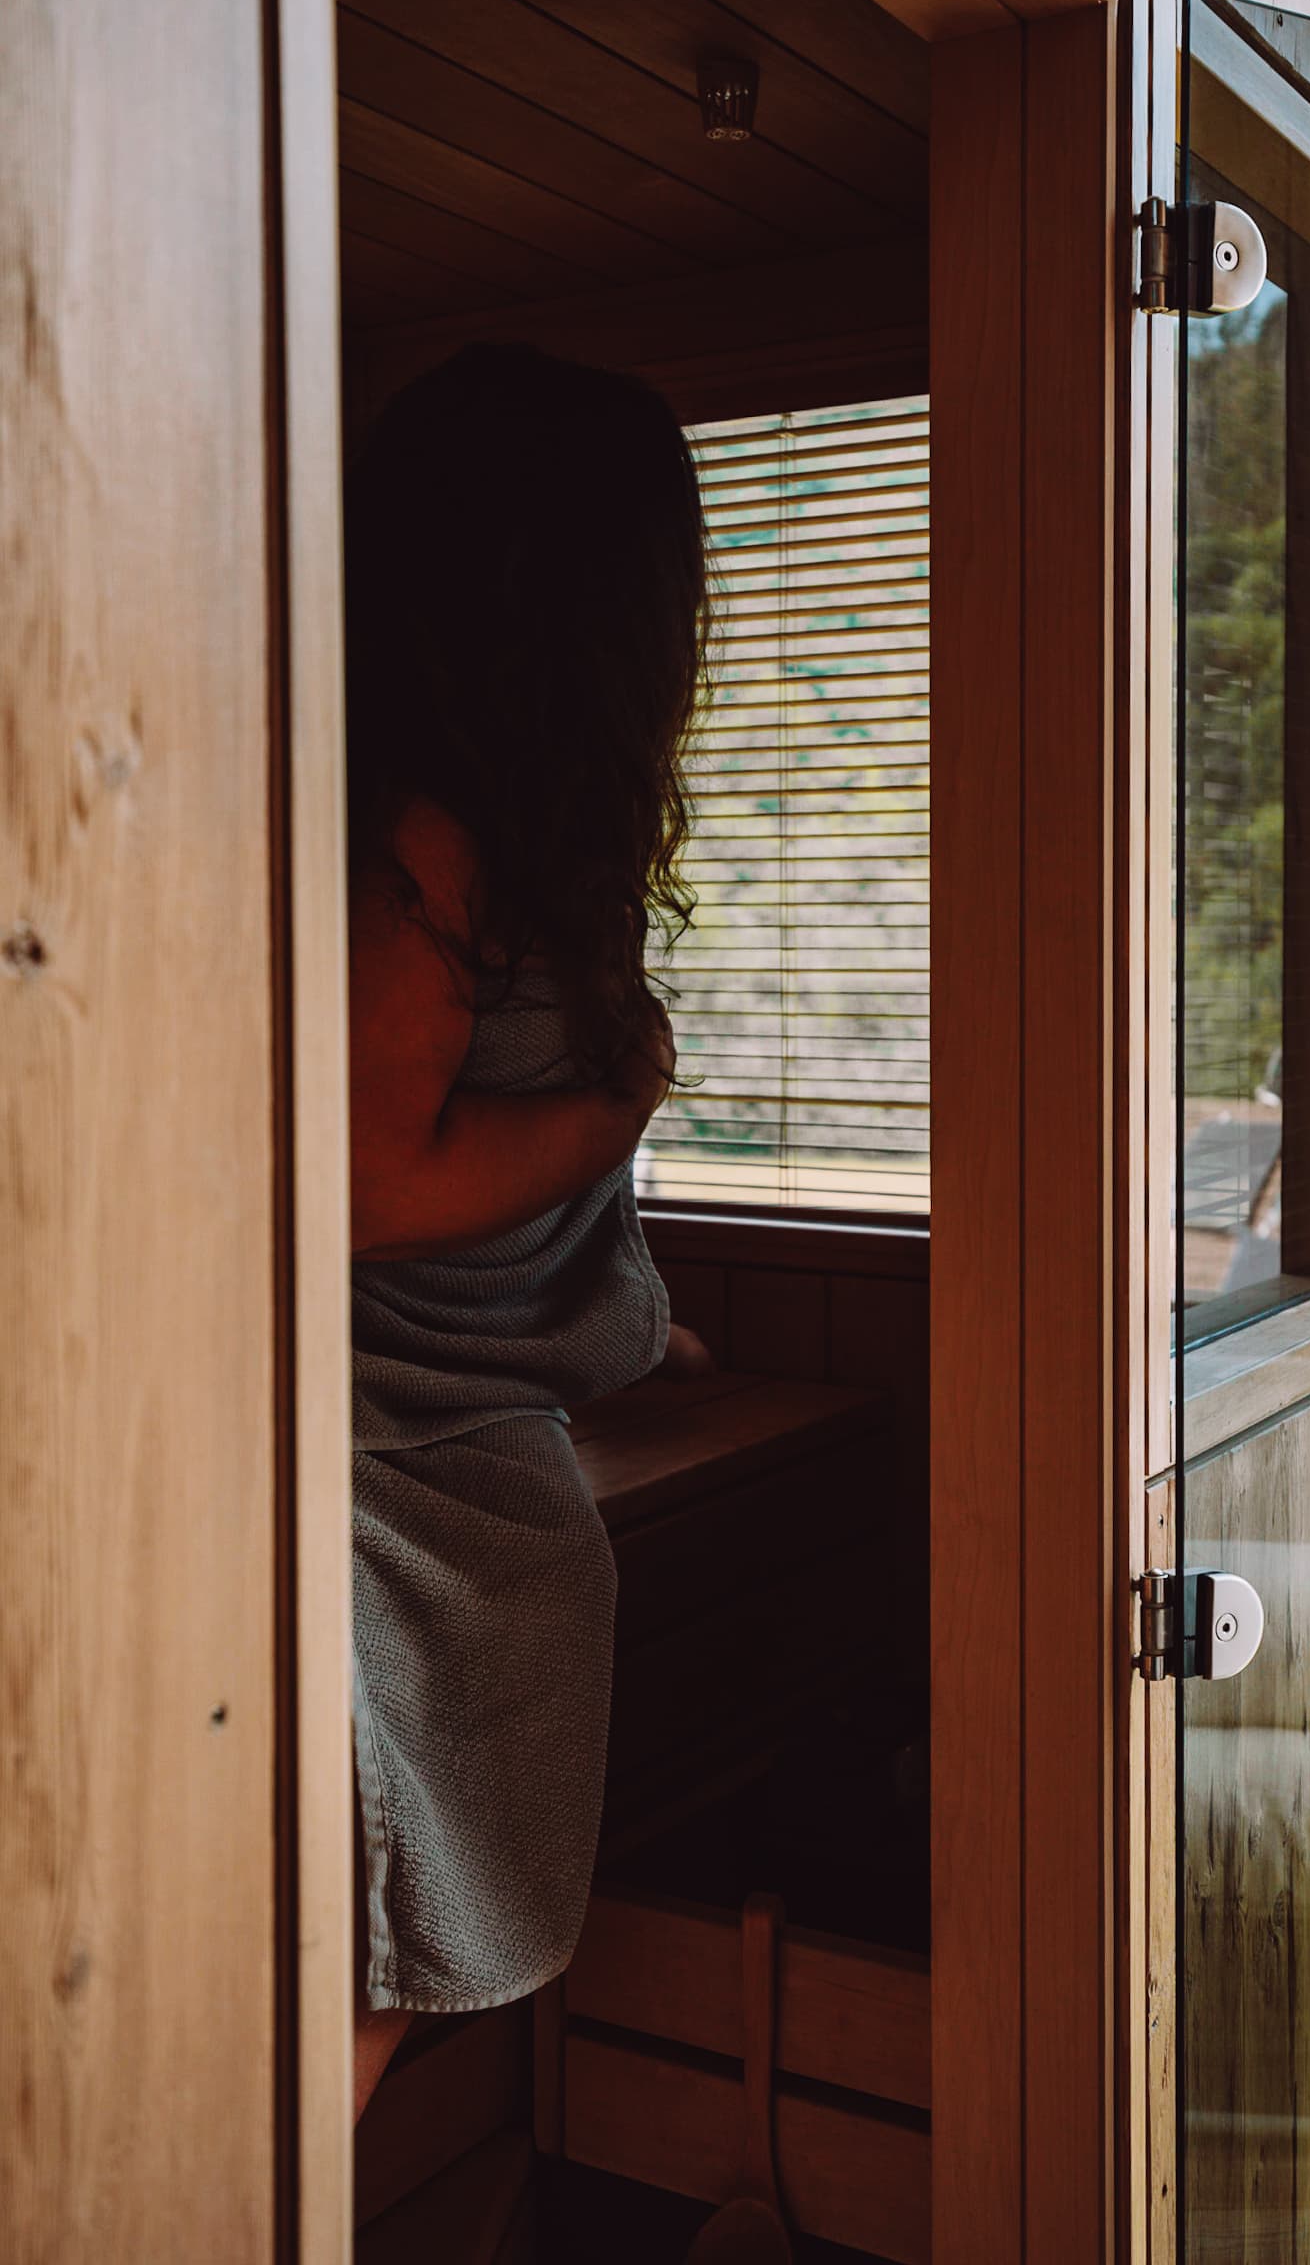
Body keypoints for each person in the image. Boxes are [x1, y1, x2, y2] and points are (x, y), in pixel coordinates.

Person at [342, 344, 708, 2116]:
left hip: (474, 1397)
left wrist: (621, 1316)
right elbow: (370, 1185)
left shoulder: (529, 839)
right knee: (398, 1777)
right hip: (377, 1416)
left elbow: (528, 1198)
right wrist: (621, 1098)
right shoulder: (427, 852)